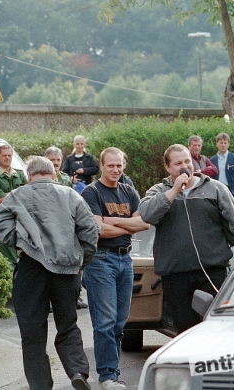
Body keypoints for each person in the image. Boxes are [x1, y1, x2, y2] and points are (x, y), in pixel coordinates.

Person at [0, 156, 100, 390]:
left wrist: (21, 241)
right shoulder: (71, 195)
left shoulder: (16, 195)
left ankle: (40, 385)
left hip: (31, 267)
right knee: (68, 325)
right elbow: (90, 232)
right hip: (67, 269)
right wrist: (82, 261)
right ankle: (77, 371)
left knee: (32, 334)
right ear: (53, 174)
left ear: (28, 176)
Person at [139, 144, 234, 333]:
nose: (185, 166)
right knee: (184, 328)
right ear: (167, 167)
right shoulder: (158, 191)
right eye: (178, 163)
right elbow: (147, 214)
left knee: (212, 325)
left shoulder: (215, 189)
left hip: (211, 271)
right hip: (175, 274)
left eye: (187, 161)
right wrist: (173, 191)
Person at [81, 147, 149, 390]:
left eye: (119, 165)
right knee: (105, 322)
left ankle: (113, 373)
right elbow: (99, 230)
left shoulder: (129, 191)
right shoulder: (91, 193)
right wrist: (128, 225)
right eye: (110, 165)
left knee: (120, 322)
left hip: (125, 260)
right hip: (100, 261)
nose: (115, 170)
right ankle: (107, 376)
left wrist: (111, 221)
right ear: (101, 165)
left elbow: (143, 223)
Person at [45, 146, 89, 309]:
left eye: (57, 160)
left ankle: (75, 297)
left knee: (72, 262)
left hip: (66, 225)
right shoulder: (43, 179)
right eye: (52, 160)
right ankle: (48, 300)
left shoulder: (65, 179)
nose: (55, 163)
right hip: (49, 226)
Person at [0, 144, 28, 271]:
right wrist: (18, 192)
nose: (7, 158)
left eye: (9, 155)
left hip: (21, 219)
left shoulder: (20, 174)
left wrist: (8, 195)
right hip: (3, 220)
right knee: (8, 258)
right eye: (4, 155)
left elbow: (28, 193)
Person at [210, 132, 234, 198]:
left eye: (225, 143)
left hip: (232, 192)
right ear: (216, 144)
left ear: (228, 145)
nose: (223, 145)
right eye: (221, 143)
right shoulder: (211, 160)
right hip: (217, 192)